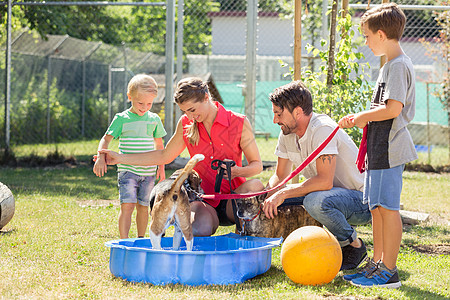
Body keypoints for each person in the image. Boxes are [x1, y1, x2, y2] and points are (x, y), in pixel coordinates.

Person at [98, 77, 264, 237]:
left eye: (192, 110)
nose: (190, 116)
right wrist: (120, 158)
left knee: (255, 185)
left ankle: (245, 236)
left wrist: (237, 171)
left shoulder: (238, 122)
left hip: (232, 199)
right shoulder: (186, 123)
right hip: (204, 200)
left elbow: (257, 166)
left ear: (206, 97)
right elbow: (164, 155)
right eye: (185, 111)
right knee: (199, 228)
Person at [339, 3, 417, 289]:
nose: (366, 42)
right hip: (377, 148)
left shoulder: (397, 66)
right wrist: (364, 120)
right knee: (376, 208)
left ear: (381, 34)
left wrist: (361, 117)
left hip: (389, 149)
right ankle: (377, 264)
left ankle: (389, 271)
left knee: (388, 208)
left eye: (367, 36)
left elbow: (393, 109)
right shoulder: (389, 66)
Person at [261, 80, 372, 271]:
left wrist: (284, 193)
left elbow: (324, 181)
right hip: (329, 194)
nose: (275, 120)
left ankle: (354, 245)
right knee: (270, 197)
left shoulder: (322, 128)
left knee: (314, 201)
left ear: (297, 112)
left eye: (279, 114)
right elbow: (280, 176)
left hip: (361, 201)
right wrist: (267, 194)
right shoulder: (287, 133)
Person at [93, 74, 166, 239]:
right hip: (127, 171)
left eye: (149, 103)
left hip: (148, 172)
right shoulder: (121, 119)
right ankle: (124, 240)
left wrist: (160, 167)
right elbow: (106, 139)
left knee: (143, 206)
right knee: (127, 206)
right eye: (140, 103)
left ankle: (141, 238)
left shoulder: (154, 119)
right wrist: (100, 157)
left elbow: (159, 147)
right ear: (129, 97)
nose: (145, 107)